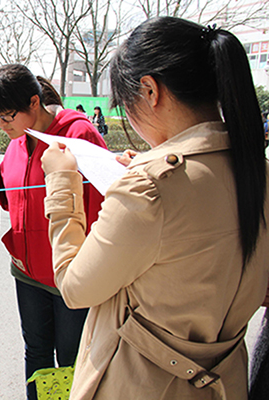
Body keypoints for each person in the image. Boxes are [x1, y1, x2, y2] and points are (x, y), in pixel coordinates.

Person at [41, 17, 269, 399]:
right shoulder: (258, 173)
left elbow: (76, 287)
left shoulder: (151, 187)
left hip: (141, 385)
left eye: (125, 103)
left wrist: (61, 183)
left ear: (149, 90)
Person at [0, 64, 106, 400]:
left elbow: (99, 209)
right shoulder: (19, 143)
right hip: (27, 272)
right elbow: (12, 200)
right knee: (35, 354)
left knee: (72, 360)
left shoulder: (78, 136)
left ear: (34, 102)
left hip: (70, 277)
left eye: (6, 117)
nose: (2, 126)